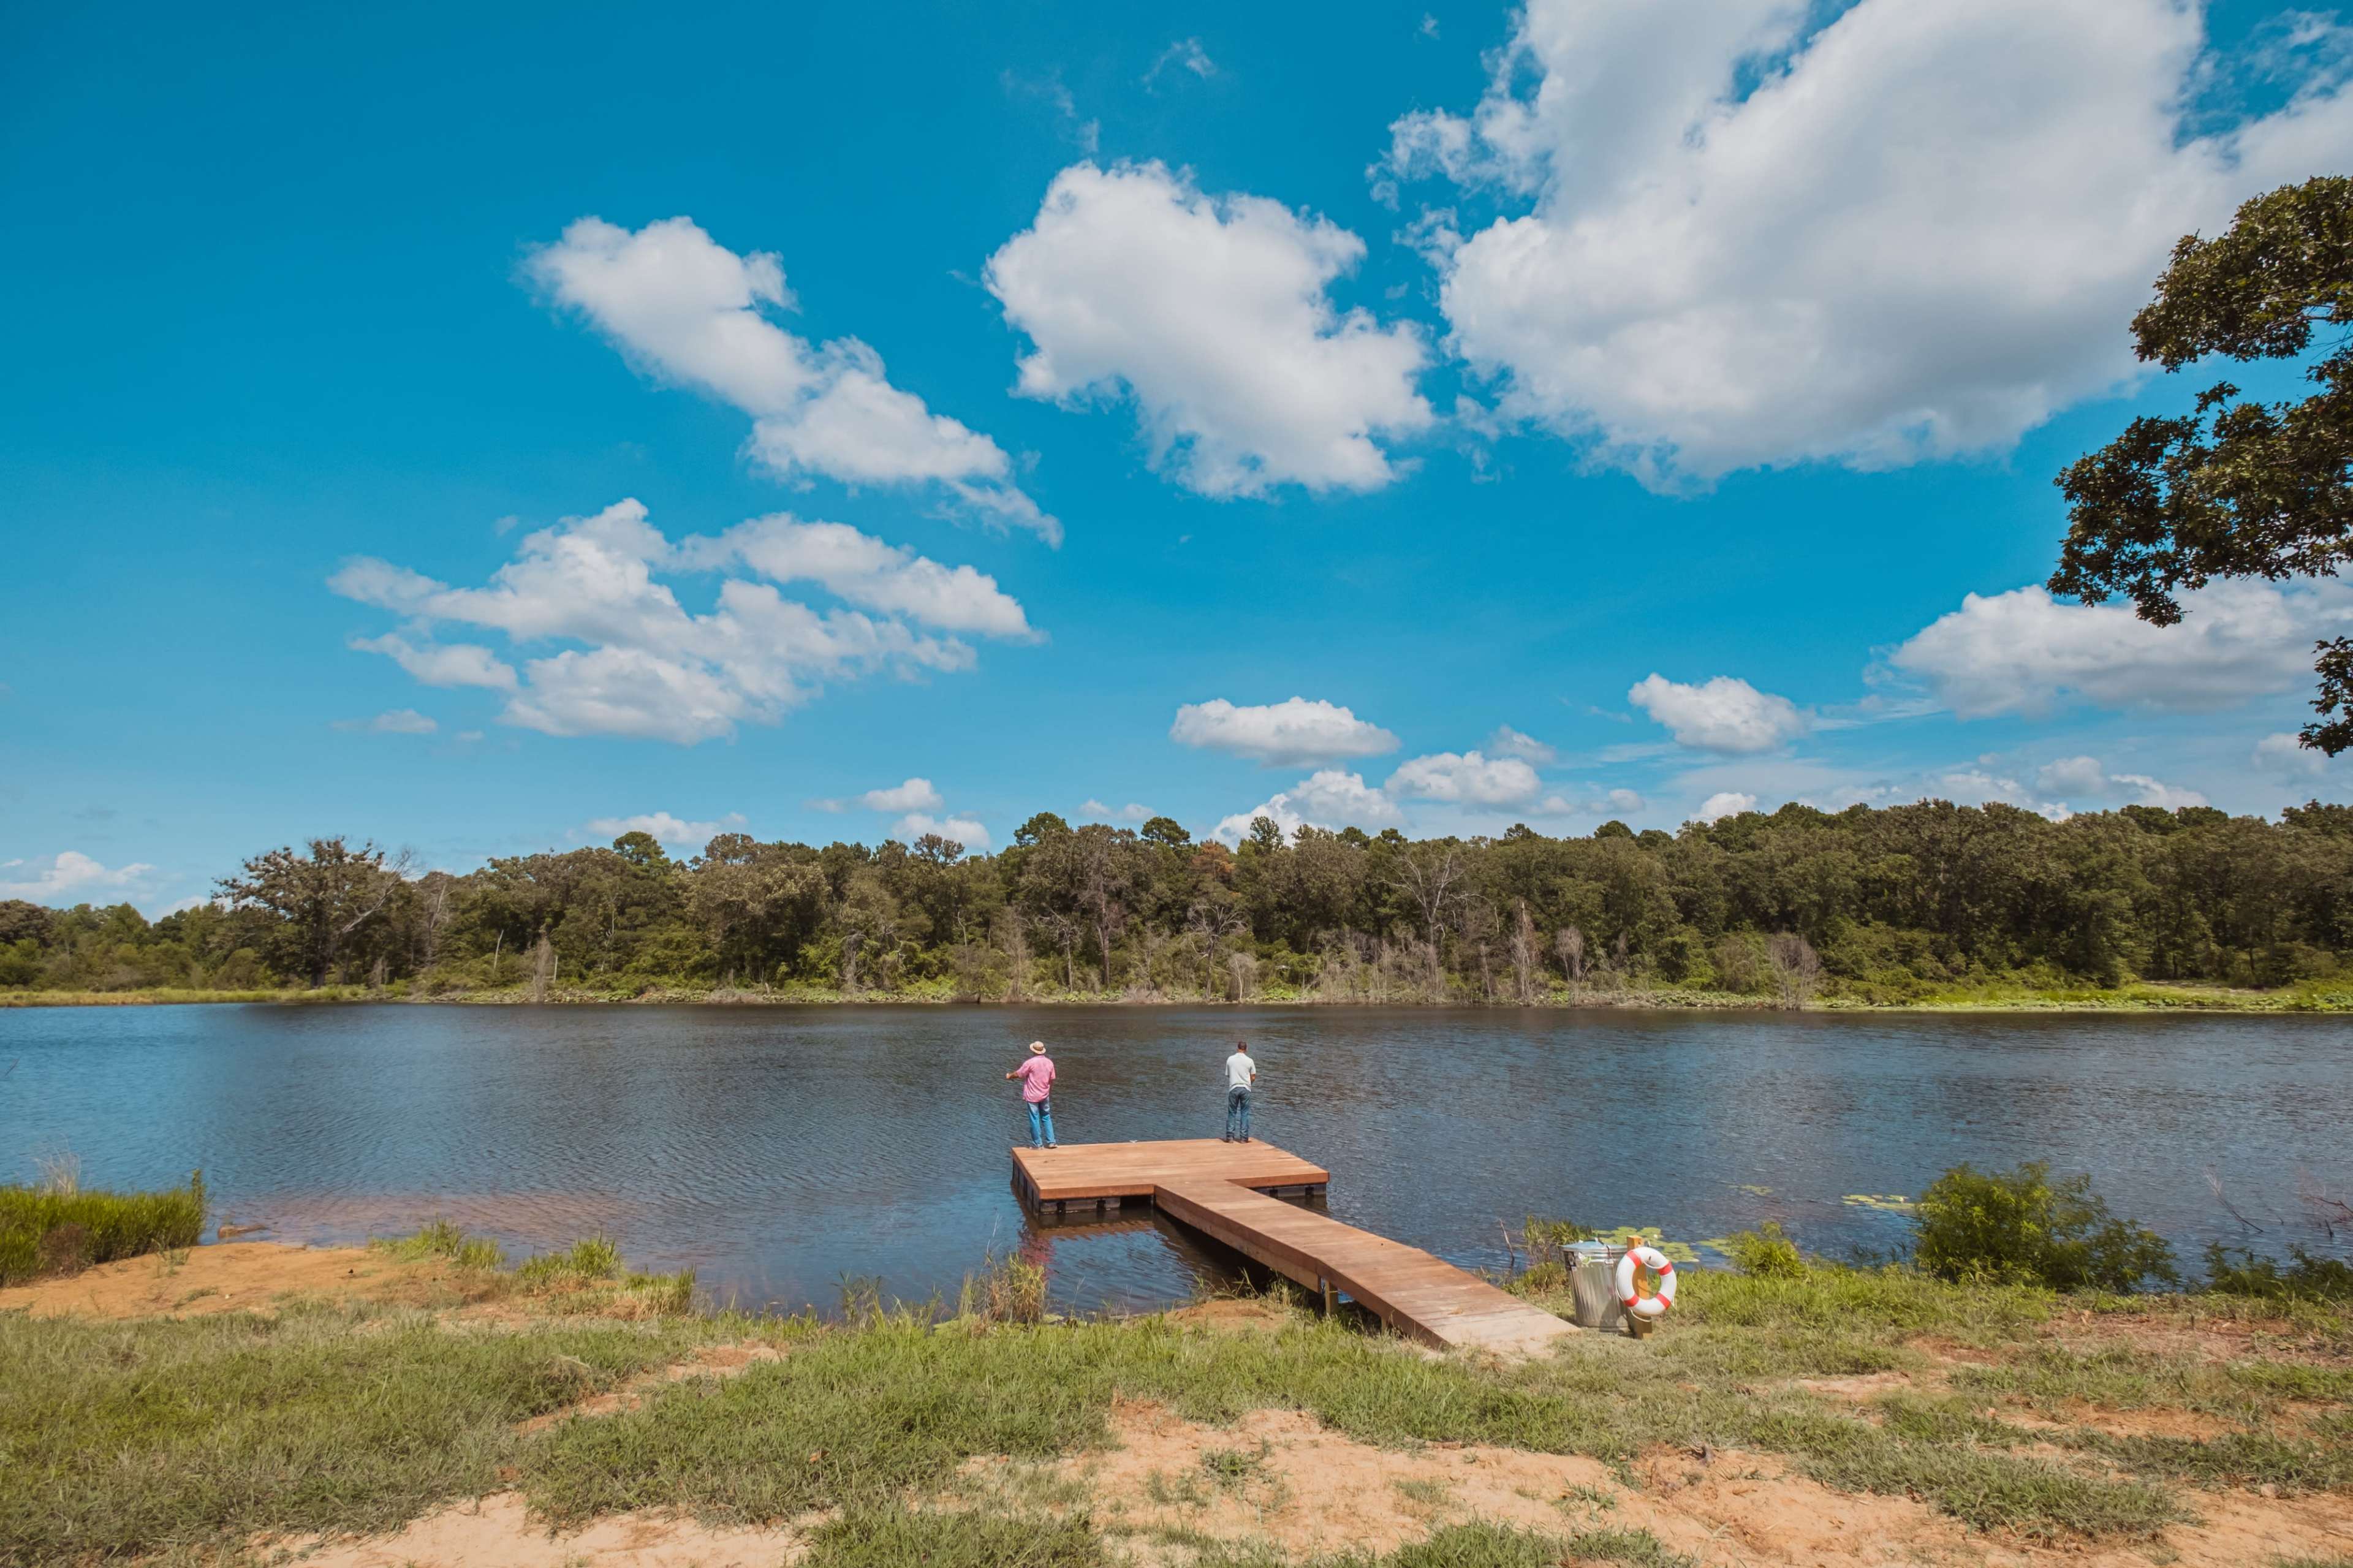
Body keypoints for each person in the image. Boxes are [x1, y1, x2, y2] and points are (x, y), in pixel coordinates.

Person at [1006, 1039, 1058, 1149]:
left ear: (1033, 1051)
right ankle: (1052, 1142)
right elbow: (1052, 1079)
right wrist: (1048, 1091)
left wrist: (1009, 1076)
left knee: (1034, 1119)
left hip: (1032, 1096)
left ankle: (1038, 1145)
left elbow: (1019, 1074)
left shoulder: (1030, 1063)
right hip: (1045, 1095)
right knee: (1046, 1117)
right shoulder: (1049, 1063)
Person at [1222, 1040, 1256, 1143]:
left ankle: (1230, 1137)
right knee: (1244, 1113)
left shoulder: (1230, 1059)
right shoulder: (1250, 1061)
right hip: (1245, 1089)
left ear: (1237, 1048)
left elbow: (1228, 1075)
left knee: (1232, 1112)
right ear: (1246, 1049)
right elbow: (1253, 1077)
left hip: (1234, 1088)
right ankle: (1243, 1138)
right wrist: (1249, 1083)